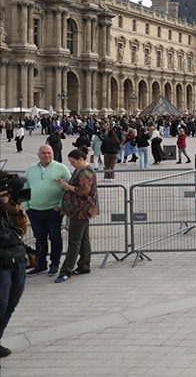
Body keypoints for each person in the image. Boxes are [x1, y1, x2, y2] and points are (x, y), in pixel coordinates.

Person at [22, 145, 71, 277]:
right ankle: (40, 264)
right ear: (38, 155)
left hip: (53, 210)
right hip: (34, 210)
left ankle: (54, 264)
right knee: (39, 238)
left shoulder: (61, 168)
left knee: (55, 237)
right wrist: (26, 206)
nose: (47, 155)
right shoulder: (31, 170)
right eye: (44, 153)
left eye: (49, 153)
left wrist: (61, 205)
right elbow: (24, 187)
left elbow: (69, 188)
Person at [53, 147, 98, 283]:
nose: (71, 165)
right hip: (80, 209)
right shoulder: (80, 170)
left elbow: (83, 191)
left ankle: (66, 270)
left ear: (80, 159)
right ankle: (84, 265)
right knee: (83, 239)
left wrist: (66, 186)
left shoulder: (85, 172)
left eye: (73, 162)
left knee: (74, 241)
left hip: (81, 210)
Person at [0, 171, 28, 359]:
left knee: (11, 303)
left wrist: (15, 209)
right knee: (0, 303)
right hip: (1, 262)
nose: (5, 196)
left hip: (16, 257)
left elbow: (22, 230)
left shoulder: (10, 206)